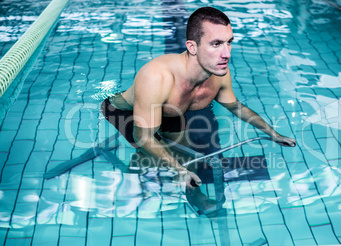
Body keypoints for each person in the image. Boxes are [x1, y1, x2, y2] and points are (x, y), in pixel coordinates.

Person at [101, 7, 296, 188]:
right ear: (192, 47)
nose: (226, 53)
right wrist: (178, 170)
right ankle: (134, 168)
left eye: (229, 42)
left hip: (171, 111)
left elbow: (236, 107)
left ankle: (176, 178)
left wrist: (272, 133)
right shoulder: (156, 77)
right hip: (125, 112)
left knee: (186, 159)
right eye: (216, 44)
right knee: (164, 159)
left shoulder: (219, 73)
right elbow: (142, 136)